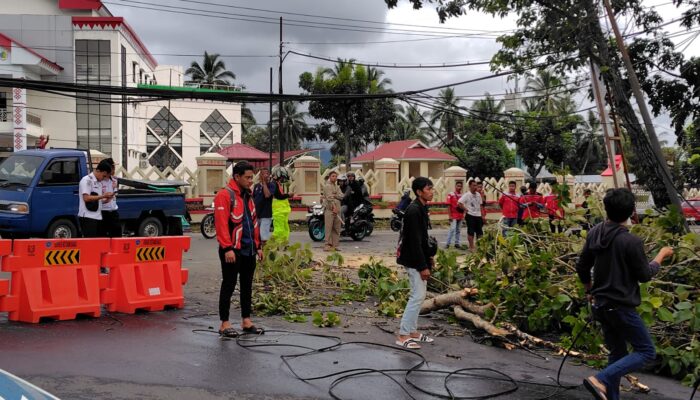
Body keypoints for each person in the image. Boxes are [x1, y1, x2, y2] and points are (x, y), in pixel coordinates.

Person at [576, 188, 673, 400]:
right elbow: (645, 275)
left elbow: (582, 266)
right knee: (646, 351)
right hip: (620, 307)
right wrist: (661, 255)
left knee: (617, 354)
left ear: (606, 208)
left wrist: (589, 290)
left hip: (601, 305)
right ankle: (600, 379)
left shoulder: (594, 232)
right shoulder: (631, 242)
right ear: (631, 212)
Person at [214, 162, 264, 338]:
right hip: (232, 249)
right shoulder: (224, 195)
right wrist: (227, 248)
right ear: (237, 177)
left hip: (248, 248)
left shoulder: (248, 196)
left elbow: (253, 223)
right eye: (248, 177)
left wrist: (258, 246)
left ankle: (246, 320)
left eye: (252, 177)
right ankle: (224, 323)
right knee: (229, 284)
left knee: (247, 285)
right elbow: (221, 225)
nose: (251, 181)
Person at [395, 177, 435, 349]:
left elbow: (424, 239)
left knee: (420, 296)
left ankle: (412, 331)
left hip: (419, 258)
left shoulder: (422, 208)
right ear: (419, 192)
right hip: (413, 260)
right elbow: (414, 241)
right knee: (416, 296)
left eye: (432, 188)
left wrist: (430, 258)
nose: (432, 191)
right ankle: (403, 334)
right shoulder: (414, 211)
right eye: (428, 189)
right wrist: (422, 266)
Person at [78, 160, 113, 238]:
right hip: (87, 217)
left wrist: (105, 201)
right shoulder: (87, 180)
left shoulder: (98, 182)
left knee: (98, 242)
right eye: (103, 176)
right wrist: (103, 196)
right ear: (98, 171)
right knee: (90, 243)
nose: (103, 179)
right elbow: (86, 198)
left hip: (98, 216)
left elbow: (95, 200)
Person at [252, 167, 276, 245]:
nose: (265, 175)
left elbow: (267, 195)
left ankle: (264, 254)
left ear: (269, 175)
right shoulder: (256, 186)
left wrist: (264, 183)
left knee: (263, 237)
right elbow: (253, 199)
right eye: (262, 174)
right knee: (256, 236)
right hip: (257, 215)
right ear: (259, 175)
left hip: (266, 215)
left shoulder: (271, 185)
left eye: (266, 173)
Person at [321, 171, 344, 251]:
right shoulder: (327, 186)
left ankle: (335, 245)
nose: (335, 177)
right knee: (328, 228)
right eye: (333, 176)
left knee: (336, 228)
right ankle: (327, 245)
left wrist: (335, 195)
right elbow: (329, 198)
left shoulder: (337, 187)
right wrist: (334, 207)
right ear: (330, 177)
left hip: (338, 209)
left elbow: (341, 196)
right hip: (330, 210)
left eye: (335, 176)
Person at [459, 180, 484, 251]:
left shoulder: (478, 195)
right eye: (474, 185)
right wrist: (465, 209)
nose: (475, 187)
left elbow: (481, 205)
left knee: (480, 232)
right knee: (471, 232)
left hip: (478, 215)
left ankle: (479, 246)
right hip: (470, 215)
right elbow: (459, 203)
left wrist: (482, 215)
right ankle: (471, 246)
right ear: (470, 186)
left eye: (476, 185)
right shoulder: (467, 195)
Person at [271, 167, 293, 243]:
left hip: (283, 210)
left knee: (285, 228)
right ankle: (274, 244)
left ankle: (284, 243)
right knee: (279, 229)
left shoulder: (277, 183)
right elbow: (278, 196)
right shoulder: (273, 184)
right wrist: (288, 195)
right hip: (278, 211)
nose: (283, 179)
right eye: (282, 177)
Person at [100, 158, 121, 237]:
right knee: (103, 236)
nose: (114, 170)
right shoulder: (99, 181)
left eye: (114, 168)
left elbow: (116, 192)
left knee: (117, 235)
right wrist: (104, 199)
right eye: (112, 168)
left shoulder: (115, 180)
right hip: (103, 212)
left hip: (113, 212)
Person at [445, 181, 464, 249]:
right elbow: (448, 205)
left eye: (460, 186)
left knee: (458, 230)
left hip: (460, 215)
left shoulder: (462, 195)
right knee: (452, 229)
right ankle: (447, 243)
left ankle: (457, 243)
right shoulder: (451, 194)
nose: (459, 187)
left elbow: (463, 205)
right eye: (458, 186)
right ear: (455, 186)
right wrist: (449, 215)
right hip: (453, 215)